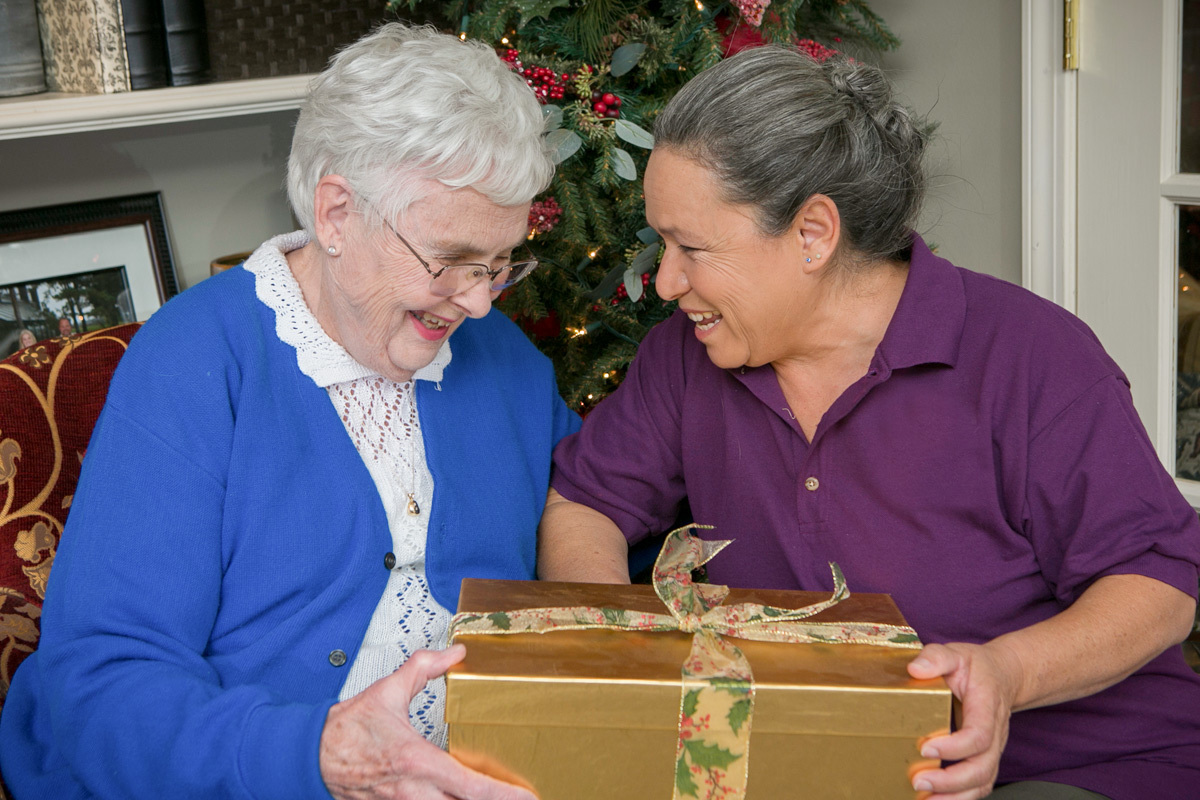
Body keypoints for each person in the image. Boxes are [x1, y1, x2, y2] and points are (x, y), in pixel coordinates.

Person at [539, 45, 1200, 800]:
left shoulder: (1030, 354)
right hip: (823, 770)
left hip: (1080, 768)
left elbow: (1157, 582)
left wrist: (1008, 674)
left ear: (814, 233)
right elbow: (586, 503)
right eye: (662, 243)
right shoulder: (684, 359)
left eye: (691, 247)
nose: (664, 281)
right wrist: (621, 649)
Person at [0, 23, 576, 800]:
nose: (477, 302)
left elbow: (600, 515)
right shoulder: (196, 364)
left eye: (499, 264)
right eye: (449, 262)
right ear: (336, 214)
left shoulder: (501, 361)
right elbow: (100, 687)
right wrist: (318, 754)